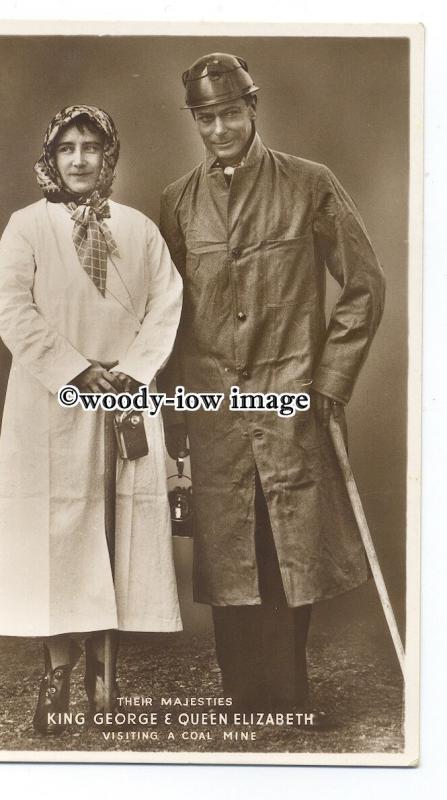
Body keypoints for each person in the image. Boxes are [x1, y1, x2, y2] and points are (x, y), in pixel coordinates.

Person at [159, 54, 385, 718]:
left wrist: (327, 381)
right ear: (195, 123)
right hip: (213, 408)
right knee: (229, 548)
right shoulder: (177, 201)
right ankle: (242, 695)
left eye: (231, 112)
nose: (220, 127)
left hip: (290, 396)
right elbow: (167, 320)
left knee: (288, 538)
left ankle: (285, 693)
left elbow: (364, 288)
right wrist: (177, 422)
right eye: (207, 118)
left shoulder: (309, 184)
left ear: (252, 108)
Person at [0, 105, 183, 734]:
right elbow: (9, 306)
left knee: (116, 527)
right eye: (66, 148)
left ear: (108, 157)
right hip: (52, 399)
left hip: (122, 394)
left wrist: (133, 370)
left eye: (91, 148)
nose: (78, 160)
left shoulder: (138, 229)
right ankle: (57, 669)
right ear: (51, 157)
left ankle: (104, 666)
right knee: (58, 533)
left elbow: (166, 304)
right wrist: (73, 368)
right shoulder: (27, 227)